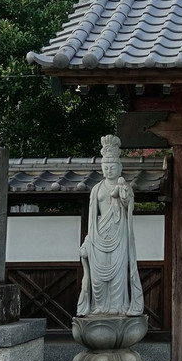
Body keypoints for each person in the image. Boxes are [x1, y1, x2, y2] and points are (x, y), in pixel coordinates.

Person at [76, 135, 144, 317]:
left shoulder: (125, 187)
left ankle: (118, 306)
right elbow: (91, 217)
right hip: (98, 235)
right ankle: (99, 306)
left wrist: (123, 197)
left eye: (112, 167)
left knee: (118, 275)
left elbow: (129, 206)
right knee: (97, 278)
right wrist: (88, 240)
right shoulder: (96, 189)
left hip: (118, 233)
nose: (108, 170)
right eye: (105, 167)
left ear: (120, 168)